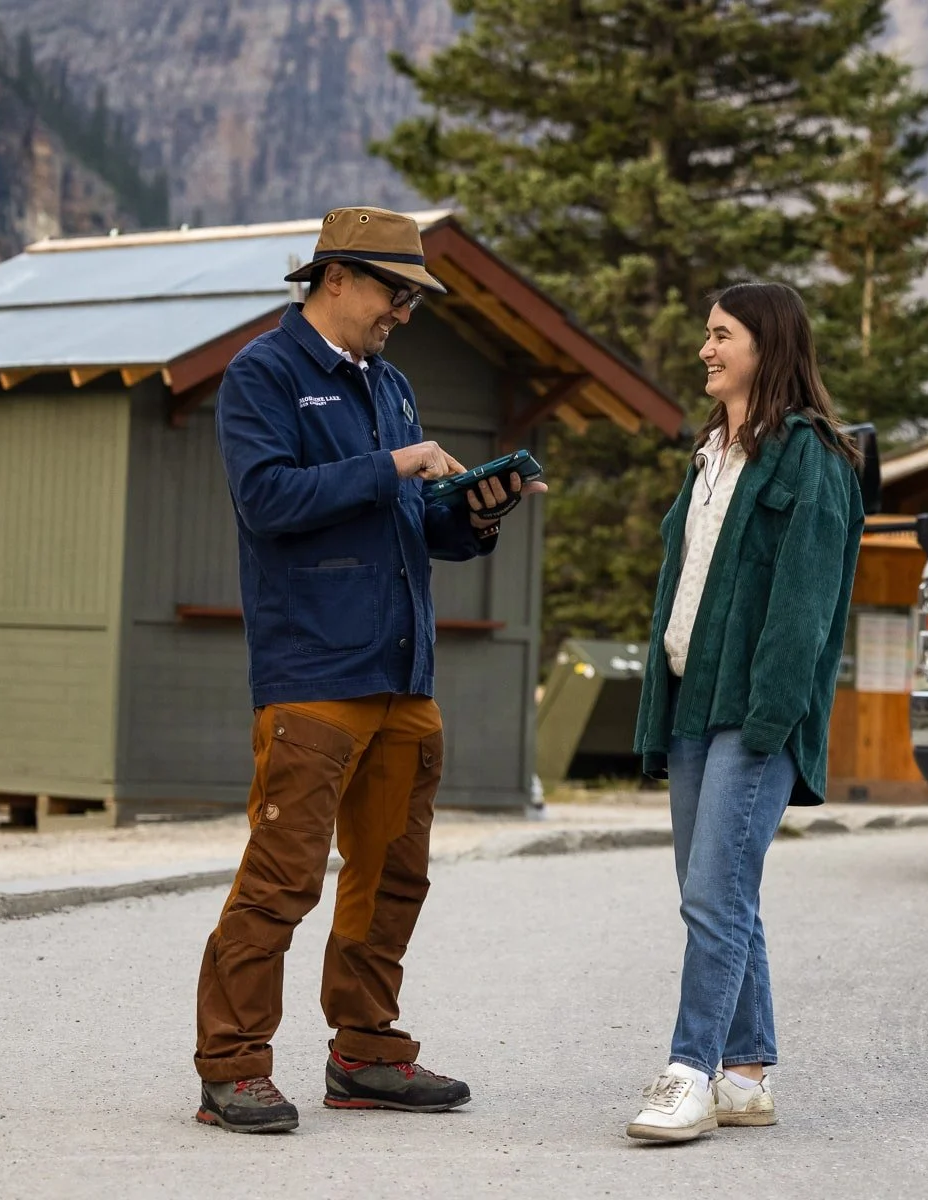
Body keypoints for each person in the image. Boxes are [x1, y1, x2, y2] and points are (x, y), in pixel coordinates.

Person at [192, 206, 543, 1134]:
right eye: (397, 292)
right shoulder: (262, 374)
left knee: (393, 875)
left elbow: (420, 526)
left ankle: (365, 1055)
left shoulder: (389, 385)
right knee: (282, 879)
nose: (406, 311)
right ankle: (230, 1065)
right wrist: (394, 465)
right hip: (312, 676)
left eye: (415, 297)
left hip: (402, 677)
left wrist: (475, 510)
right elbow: (267, 500)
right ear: (335, 278)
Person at [628, 282, 865, 1142]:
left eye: (721, 334)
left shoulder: (810, 458)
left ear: (766, 346)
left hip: (755, 717)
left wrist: (770, 728)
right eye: (705, 334)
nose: (705, 349)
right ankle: (746, 1073)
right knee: (722, 893)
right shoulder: (711, 454)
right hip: (695, 702)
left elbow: (803, 609)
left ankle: (688, 1070)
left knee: (713, 896)